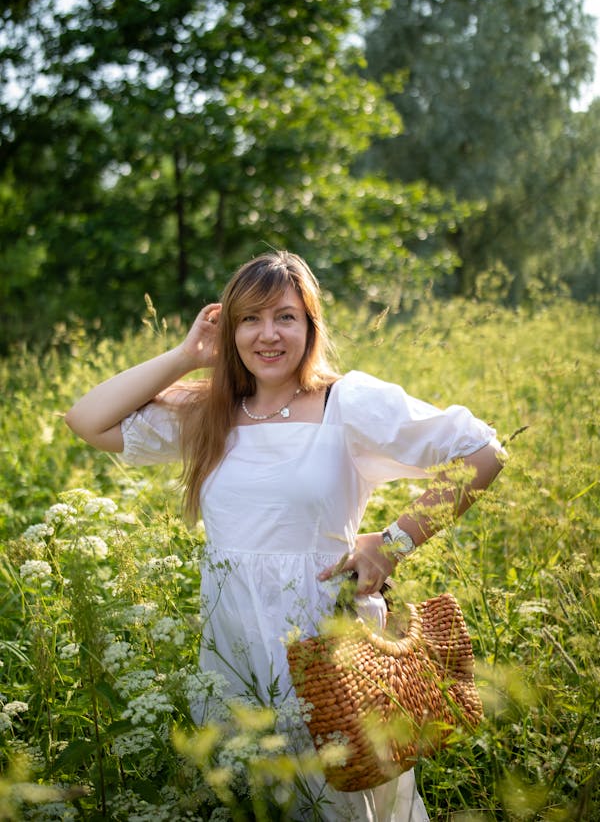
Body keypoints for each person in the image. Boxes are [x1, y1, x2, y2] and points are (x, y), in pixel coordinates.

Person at [65, 250, 504, 821]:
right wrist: (185, 356)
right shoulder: (213, 411)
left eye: (285, 317)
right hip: (233, 640)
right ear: (230, 332)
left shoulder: (346, 403)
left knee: (340, 797)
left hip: (325, 638)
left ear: (310, 325)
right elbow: (87, 420)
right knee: (248, 798)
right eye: (250, 319)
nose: (267, 334)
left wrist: (393, 542)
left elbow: (483, 451)